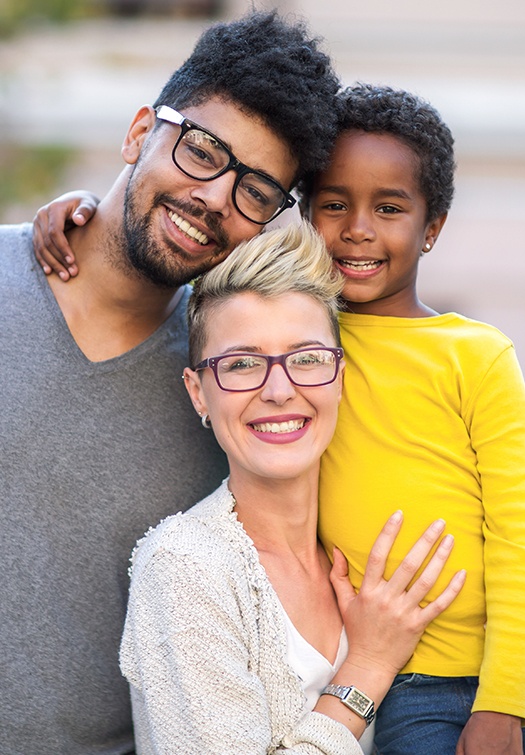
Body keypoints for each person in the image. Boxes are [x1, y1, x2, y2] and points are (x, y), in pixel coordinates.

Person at [0, 12, 342, 754]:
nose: (217, 197)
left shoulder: (234, 385)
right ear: (137, 134)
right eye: (203, 151)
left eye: (256, 190)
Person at [119, 219, 466, 754]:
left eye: (306, 359)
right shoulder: (185, 566)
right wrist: (368, 667)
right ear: (198, 393)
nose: (280, 390)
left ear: (341, 376)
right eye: (240, 364)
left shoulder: (371, 543)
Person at [305, 84, 525, 754]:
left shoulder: (476, 354)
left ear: (432, 227)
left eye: (390, 207)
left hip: (479, 676)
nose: (358, 228)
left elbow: (518, 528)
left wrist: (504, 704)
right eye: (333, 204)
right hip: (392, 676)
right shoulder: (296, 343)